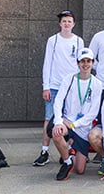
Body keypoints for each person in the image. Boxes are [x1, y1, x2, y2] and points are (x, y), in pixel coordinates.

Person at [34, 10, 84, 167]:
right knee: (49, 118)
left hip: (72, 87)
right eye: (64, 21)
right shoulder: (53, 40)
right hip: (55, 86)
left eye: (69, 21)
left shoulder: (78, 41)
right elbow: (47, 63)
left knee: (69, 118)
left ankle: (67, 150)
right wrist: (46, 87)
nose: (66, 24)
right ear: (60, 23)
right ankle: (44, 151)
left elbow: (81, 64)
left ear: (74, 24)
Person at [50, 48, 102, 180]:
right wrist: (59, 121)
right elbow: (58, 101)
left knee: (80, 170)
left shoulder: (97, 84)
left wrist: (73, 124)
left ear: (93, 62)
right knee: (56, 133)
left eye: (88, 61)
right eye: (82, 61)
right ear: (78, 63)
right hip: (67, 122)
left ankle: (71, 148)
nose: (85, 64)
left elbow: (93, 113)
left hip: (82, 127)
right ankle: (67, 161)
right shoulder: (69, 79)